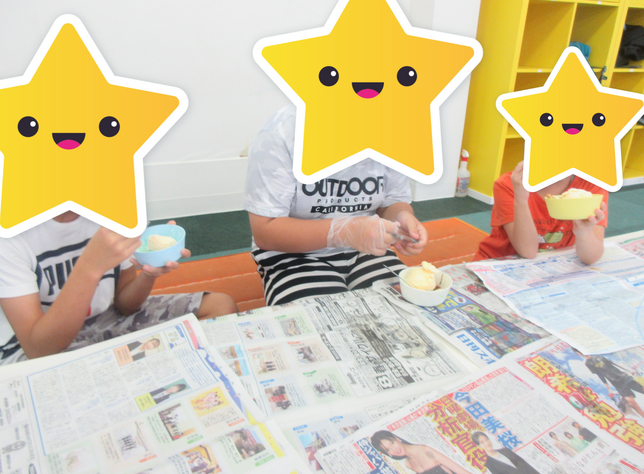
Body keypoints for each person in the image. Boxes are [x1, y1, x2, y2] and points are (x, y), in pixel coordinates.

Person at [244, 106, 429, 306]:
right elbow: (266, 231)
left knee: (404, 307)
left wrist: (402, 217)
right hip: (292, 253)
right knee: (316, 317)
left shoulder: (393, 130)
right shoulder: (283, 132)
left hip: (368, 247)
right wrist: (344, 231)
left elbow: (391, 201)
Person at [0, 213, 238, 364]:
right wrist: (89, 267)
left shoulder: (111, 214)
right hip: (39, 343)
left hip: (107, 318)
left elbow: (125, 305)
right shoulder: (10, 234)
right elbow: (39, 350)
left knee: (220, 305)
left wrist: (148, 273)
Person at [474, 161, 608, 265]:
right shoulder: (511, 184)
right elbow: (528, 252)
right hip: (500, 261)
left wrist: (584, 231)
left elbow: (590, 258)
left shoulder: (592, 186)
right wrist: (521, 200)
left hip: (550, 265)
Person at [571, 348, 644, 417]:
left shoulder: (598, 355)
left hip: (622, 376)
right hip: (616, 383)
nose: (581, 353)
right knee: (631, 402)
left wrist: (629, 370)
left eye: (580, 351)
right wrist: (608, 388)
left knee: (642, 389)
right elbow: (600, 375)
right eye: (578, 352)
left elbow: (613, 363)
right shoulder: (588, 363)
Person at [370, 430, 472, 474]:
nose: (394, 450)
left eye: (392, 443)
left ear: (396, 438)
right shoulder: (408, 464)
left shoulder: (425, 450)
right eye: (388, 450)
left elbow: (462, 472)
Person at [471, 432, 540, 474]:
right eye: (482, 442)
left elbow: (525, 465)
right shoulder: (489, 464)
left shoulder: (506, 450)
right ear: (478, 446)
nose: (487, 443)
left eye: (487, 440)